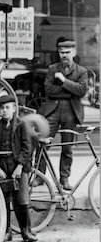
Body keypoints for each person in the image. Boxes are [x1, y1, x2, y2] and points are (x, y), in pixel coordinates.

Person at [38, 39, 88, 190]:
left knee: (67, 148)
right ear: (58, 53)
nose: (64, 55)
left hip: (71, 113)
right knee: (43, 144)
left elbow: (82, 91)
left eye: (67, 52)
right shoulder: (52, 69)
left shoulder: (81, 71)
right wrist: (70, 91)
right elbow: (49, 90)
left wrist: (63, 81)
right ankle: (39, 177)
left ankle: (64, 180)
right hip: (52, 111)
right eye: (62, 52)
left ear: (74, 52)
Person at [0, 95, 37, 242]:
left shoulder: (22, 125)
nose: (4, 111)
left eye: (7, 108)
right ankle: (5, 231)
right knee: (3, 200)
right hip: (3, 167)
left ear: (14, 109)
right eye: (1, 108)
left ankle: (26, 231)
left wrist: (20, 167)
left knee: (21, 200)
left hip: (19, 167)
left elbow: (27, 149)